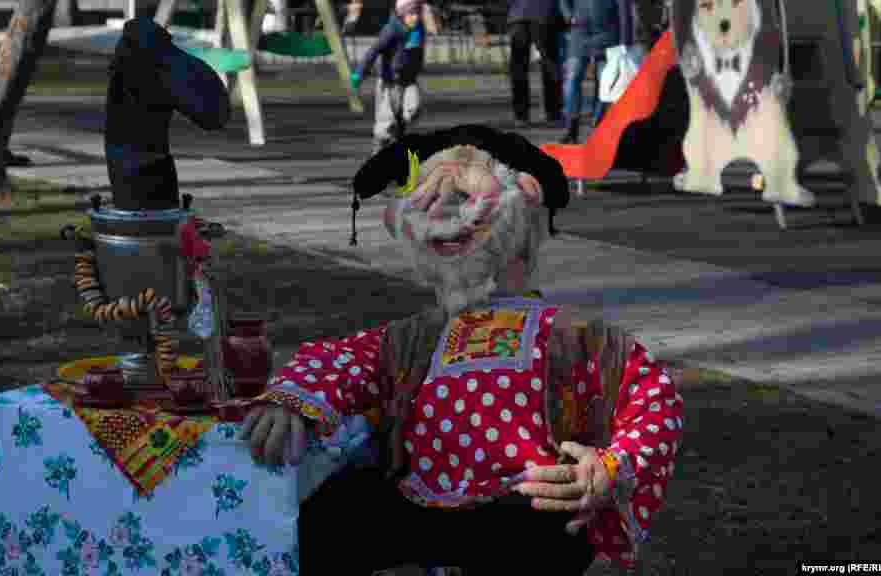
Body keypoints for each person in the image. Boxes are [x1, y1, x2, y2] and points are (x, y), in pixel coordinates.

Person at [242, 124, 685, 573]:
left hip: (529, 503)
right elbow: (342, 359)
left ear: (525, 207)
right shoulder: (413, 337)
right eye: (432, 199)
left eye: (461, 196)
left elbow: (652, 397)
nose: (446, 212)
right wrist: (294, 399)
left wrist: (611, 465)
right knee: (326, 520)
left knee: (544, 536)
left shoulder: (576, 335)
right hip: (416, 500)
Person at [350, 0, 428, 154]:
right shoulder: (392, 29)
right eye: (411, 14)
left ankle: (398, 131)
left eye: (418, 13)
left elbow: (417, 53)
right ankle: (379, 150)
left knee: (413, 108)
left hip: (409, 82)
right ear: (401, 14)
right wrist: (359, 73)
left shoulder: (419, 29)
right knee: (385, 124)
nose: (416, 17)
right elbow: (374, 50)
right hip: (389, 82)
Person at [559, 0, 631, 143]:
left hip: (608, 35)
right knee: (571, 81)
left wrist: (625, 40)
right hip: (580, 34)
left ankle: (597, 128)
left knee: (605, 85)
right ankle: (571, 128)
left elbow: (623, 7)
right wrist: (568, 15)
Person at [506, 0, 563, 128]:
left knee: (518, 69)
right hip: (544, 13)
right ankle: (553, 113)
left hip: (518, 15)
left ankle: (521, 115)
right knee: (549, 65)